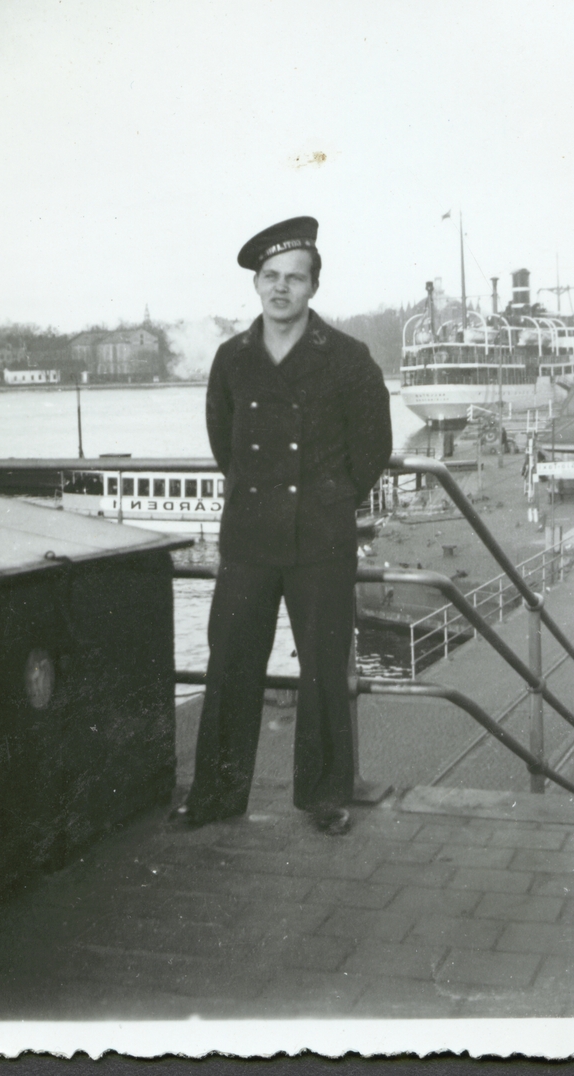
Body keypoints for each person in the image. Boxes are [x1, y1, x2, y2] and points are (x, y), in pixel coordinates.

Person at [170, 216, 392, 835]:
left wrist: (330, 498)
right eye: (271, 276)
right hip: (249, 537)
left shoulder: (347, 358)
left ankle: (324, 797)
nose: (281, 288)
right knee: (230, 664)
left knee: (323, 669)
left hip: (320, 536)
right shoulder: (233, 358)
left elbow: (373, 447)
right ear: (256, 284)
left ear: (313, 286)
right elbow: (224, 441)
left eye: (295, 277)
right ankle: (216, 795)